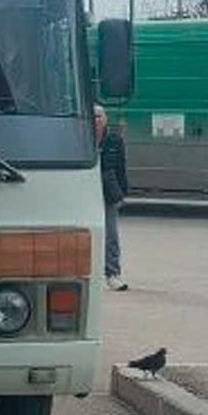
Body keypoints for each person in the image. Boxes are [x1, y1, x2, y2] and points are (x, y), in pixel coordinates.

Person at [96, 104, 129, 291]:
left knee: (111, 236)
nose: (96, 120)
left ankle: (113, 274)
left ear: (106, 119)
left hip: (108, 192)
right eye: (93, 116)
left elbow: (121, 169)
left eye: (100, 116)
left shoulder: (114, 141)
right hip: (85, 192)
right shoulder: (81, 139)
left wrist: (122, 193)